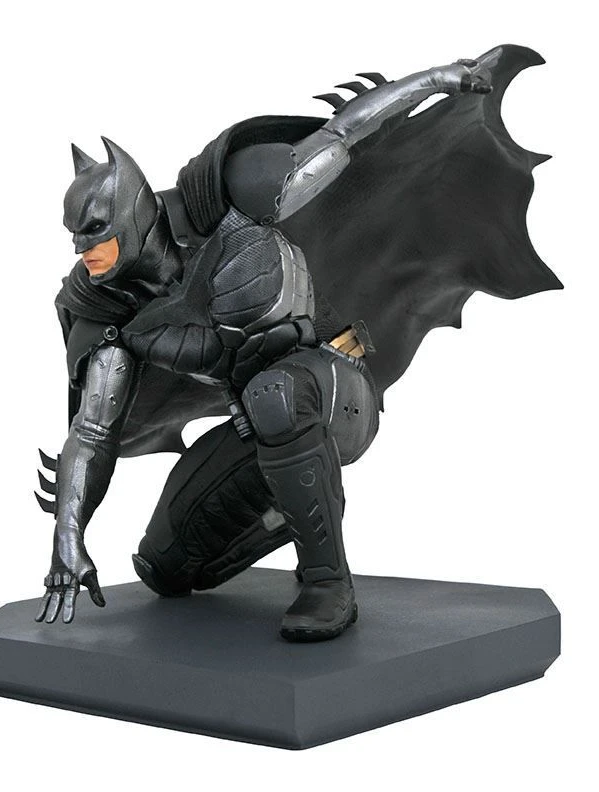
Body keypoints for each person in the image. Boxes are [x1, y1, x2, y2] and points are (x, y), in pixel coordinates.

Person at [34, 53, 504, 640]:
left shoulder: (223, 200)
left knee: (273, 393)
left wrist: (435, 79)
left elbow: (341, 136)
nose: (84, 252)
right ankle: (299, 503)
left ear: (131, 214)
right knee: (166, 568)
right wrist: (68, 536)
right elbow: (93, 432)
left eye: (95, 235)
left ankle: (327, 582)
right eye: (76, 240)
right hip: (258, 425)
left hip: (334, 388)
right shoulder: (109, 308)